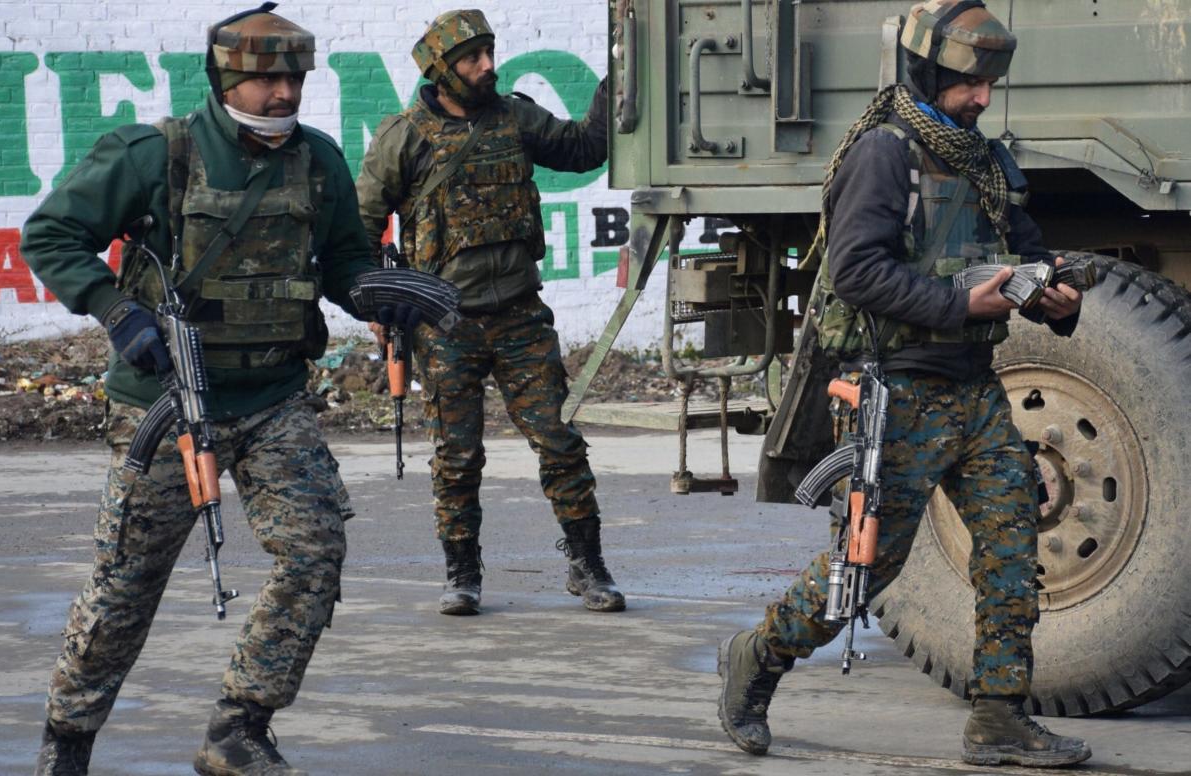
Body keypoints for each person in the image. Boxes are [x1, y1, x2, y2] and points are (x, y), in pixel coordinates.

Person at [716, 0, 1091, 768]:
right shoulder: (884, 154)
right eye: (969, 81)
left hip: (973, 389)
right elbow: (855, 272)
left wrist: (1054, 296)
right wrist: (958, 303)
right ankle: (758, 656)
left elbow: (1026, 252)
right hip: (897, 390)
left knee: (1012, 550)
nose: (984, 95)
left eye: (991, 81)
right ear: (924, 72)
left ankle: (998, 721)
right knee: (867, 567)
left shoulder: (985, 159)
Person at [21, 5, 379, 774]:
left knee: (315, 551)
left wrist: (379, 292)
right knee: (125, 585)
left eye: (294, 77)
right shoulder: (156, 154)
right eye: (266, 78)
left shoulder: (318, 162)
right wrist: (116, 311)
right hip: (166, 404)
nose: (283, 93)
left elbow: (347, 260)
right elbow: (51, 233)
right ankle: (68, 740)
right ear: (225, 77)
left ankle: (239, 726)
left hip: (273, 398)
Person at [355, 9, 624, 617]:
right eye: (473, 59)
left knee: (559, 443)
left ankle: (589, 567)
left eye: (489, 54)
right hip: (444, 325)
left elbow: (584, 149)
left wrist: (617, 79)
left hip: (521, 318)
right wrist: (378, 306)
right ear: (442, 71)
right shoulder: (405, 137)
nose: (487, 67)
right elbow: (360, 230)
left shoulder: (514, 115)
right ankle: (462, 573)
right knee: (457, 454)